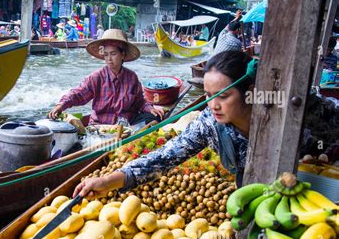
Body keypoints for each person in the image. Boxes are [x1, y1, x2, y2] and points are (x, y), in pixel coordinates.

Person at [72, 50, 255, 199]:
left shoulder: (272, 122)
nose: (213, 105)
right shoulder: (208, 123)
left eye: (222, 96)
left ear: (249, 91)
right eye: (207, 95)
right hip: (246, 188)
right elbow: (164, 157)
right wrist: (108, 182)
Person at [48, 29, 164, 125]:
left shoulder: (131, 77)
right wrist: (61, 105)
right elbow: (78, 94)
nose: (109, 59)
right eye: (106, 54)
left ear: (122, 55)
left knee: (154, 119)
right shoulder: (97, 77)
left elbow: (139, 102)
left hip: (126, 126)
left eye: (113, 54)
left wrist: (150, 109)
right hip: (100, 127)